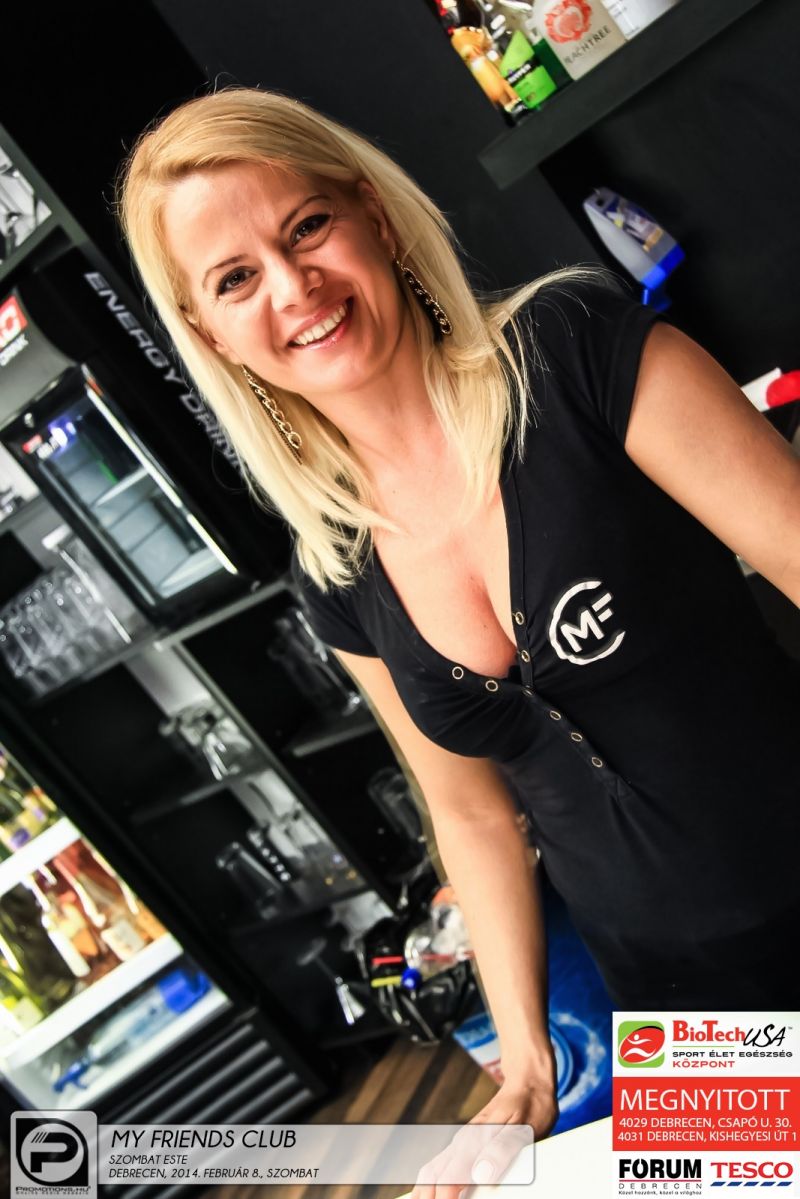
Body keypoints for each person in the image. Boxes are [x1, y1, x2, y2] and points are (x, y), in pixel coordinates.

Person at [116, 87, 800, 1156]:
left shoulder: (571, 352)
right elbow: (471, 815)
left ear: (373, 215)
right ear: (211, 334)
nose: (293, 288)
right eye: (235, 278)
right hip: (672, 1002)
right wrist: (524, 1061)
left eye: (307, 227)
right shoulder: (336, 567)